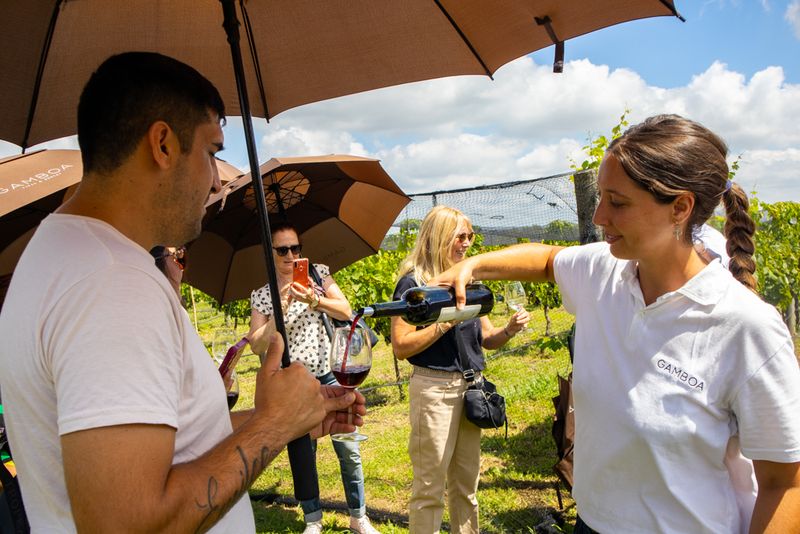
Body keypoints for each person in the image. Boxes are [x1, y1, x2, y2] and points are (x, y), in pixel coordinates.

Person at [0, 52, 365, 532]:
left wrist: (286, 419)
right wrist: (272, 426)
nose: (217, 181)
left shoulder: (61, 252)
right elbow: (129, 523)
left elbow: (167, 450)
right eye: (211, 152)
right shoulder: (111, 283)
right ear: (163, 144)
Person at [430, 115, 800, 534]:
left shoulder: (745, 326)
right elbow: (548, 260)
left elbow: (784, 485)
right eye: (602, 197)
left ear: (680, 207)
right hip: (592, 524)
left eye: (618, 202)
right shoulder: (602, 272)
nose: (600, 216)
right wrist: (475, 265)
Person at [390, 205, 530, 533]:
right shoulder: (414, 287)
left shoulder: (468, 280)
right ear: (439, 238)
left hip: (471, 389)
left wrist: (509, 329)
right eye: (460, 236)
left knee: (467, 486)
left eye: (471, 235)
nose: (467, 243)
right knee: (430, 487)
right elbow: (400, 346)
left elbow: (487, 337)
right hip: (434, 390)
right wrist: (444, 322)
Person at [248, 221, 380, 534]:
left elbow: (345, 310)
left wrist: (314, 299)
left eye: (295, 248)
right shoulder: (262, 295)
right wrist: (281, 307)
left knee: (348, 446)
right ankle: (312, 520)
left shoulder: (318, 274)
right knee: (302, 453)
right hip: (295, 384)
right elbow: (256, 344)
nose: (290, 255)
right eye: (282, 249)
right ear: (270, 252)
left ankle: (358, 516)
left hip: (331, 374)